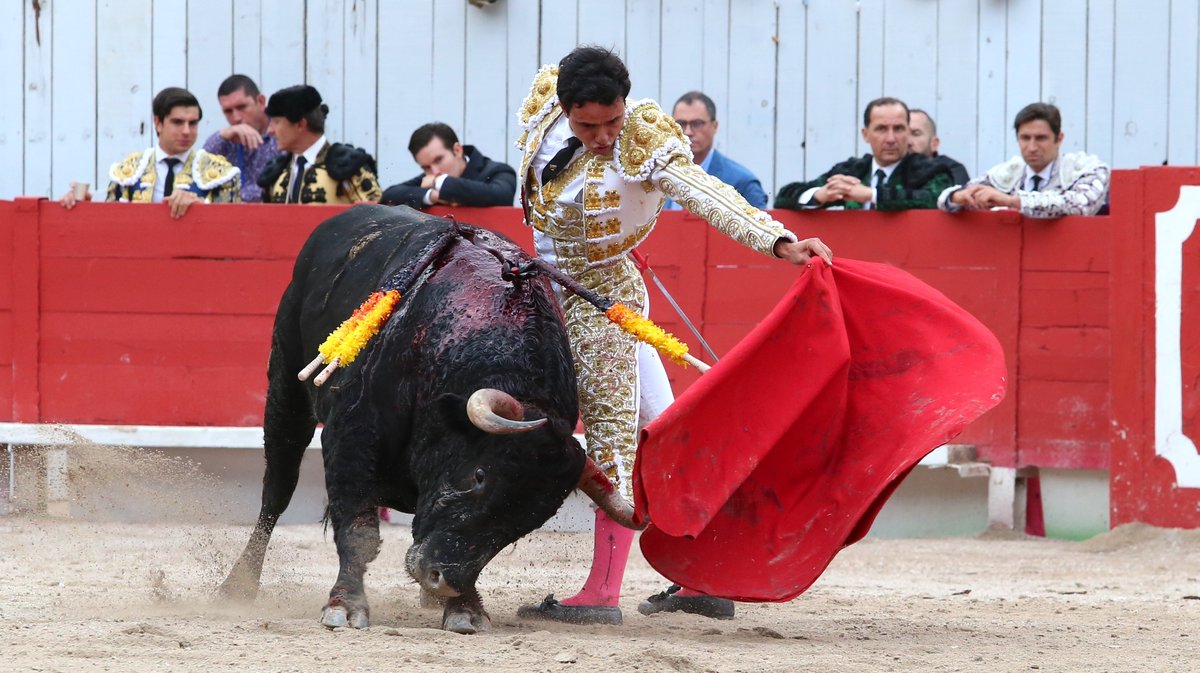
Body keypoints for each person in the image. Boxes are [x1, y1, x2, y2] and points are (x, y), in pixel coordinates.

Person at [512, 46, 832, 626]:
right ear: (564, 109)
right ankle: (697, 579)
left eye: (613, 120)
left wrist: (779, 242)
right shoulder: (545, 102)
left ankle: (601, 594)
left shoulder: (647, 141)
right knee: (667, 432)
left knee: (616, 441)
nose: (605, 135)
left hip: (604, 304)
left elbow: (707, 195)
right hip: (546, 288)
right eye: (589, 125)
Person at [58, 87, 240, 219]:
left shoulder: (221, 173)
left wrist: (200, 209)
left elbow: (234, 227)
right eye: (178, 122)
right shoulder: (129, 171)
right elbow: (109, 223)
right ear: (158, 123)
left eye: (192, 123)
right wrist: (84, 207)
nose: (186, 131)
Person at [774, 97, 953, 211]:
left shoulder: (931, 169)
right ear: (865, 134)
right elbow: (783, 196)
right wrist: (820, 195)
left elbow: (935, 198)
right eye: (881, 129)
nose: (891, 139)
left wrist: (870, 195)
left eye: (898, 129)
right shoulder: (852, 170)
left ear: (908, 132)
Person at [939, 102, 1109, 217]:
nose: (1032, 147)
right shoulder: (1007, 173)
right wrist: (958, 197)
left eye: (1041, 138)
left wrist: (1011, 201)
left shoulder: (1086, 169)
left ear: (1059, 139)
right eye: (1025, 138)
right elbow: (947, 197)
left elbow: (1080, 205)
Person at [258, 85, 382, 204]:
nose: (270, 130)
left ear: (300, 125)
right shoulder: (277, 171)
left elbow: (377, 219)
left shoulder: (349, 167)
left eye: (276, 122)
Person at [664, 91, 768, 209]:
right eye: (681, 124)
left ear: (715, 126)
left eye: (697, 123)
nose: (688, 132)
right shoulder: (657, 176)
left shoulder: (742, 183)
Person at [380, 123, 517, 208]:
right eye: (426, 167)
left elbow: (501, 196)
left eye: (439, 160)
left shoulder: (498, 171)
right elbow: (389, 196)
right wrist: (433, 196)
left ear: (457, 150)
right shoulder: (429, 178)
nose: (434, 171)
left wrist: (438, 182)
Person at [202, 74, 282, 203]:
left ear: (261, 102)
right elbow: (200, 169)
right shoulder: (226, 140)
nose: (236, 118)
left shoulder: (281, 135)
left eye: (242, 107)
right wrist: (221, 136)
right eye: (228, 111)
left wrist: (237, 197)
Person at [907, 109, 970, 185]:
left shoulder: (950, 170)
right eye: (904, 134)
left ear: (934, 144)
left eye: (916, 134)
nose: (908, 142)